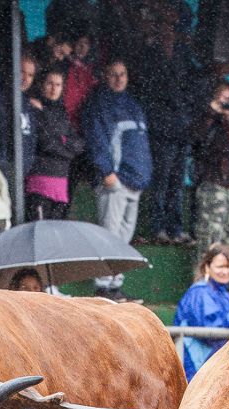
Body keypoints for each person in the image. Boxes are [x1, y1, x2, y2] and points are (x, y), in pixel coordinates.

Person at [84, 60, 150, 302]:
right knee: (109, 236)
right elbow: (97, 140)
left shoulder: (133, 105)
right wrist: (106, 171)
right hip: (116, 180)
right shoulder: (100, 103)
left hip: (135, 182)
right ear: (105, 76)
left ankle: (115, 286)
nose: (119, 79)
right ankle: (103, 286)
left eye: (123, 74)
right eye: (114, 74)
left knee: (123, 239)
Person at [132, 17, 199, 243]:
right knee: (161, 181)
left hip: (181, 129)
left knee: (177, 182)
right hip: (161, 129)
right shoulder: (149, 55)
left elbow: (191, 88)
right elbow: (150, 89)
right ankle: (158, 227)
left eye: (172, 27)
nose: (169, 32)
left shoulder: (183, 56)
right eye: (165, 27)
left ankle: (175, 227)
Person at [190, 79, 229, 250]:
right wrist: (211, 112)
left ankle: (223, 275)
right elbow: (195, 137)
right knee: (210, 239)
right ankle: (204, 275)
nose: (227, 104)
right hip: (213, 184)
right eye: (223, 99)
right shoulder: (207, 120)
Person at [173, 242, 229, 378]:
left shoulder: (223, 293)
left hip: (211, 363)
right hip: (195, 365)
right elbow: (209, 328)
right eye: (220, 266)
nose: (225, 271)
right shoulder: (200, 292)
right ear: (207, 267)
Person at [25, 68, 82, 222]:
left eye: (58, 85)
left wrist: (61, 142)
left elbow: (78, 145)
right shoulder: (33, 108)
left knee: (55, 236)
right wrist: (64, 144)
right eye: (50, 83)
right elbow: (46, 143)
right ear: (42, 85)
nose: (53, 88)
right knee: (39, 232)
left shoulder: (62, 113)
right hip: (39, 183)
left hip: (61, 186)